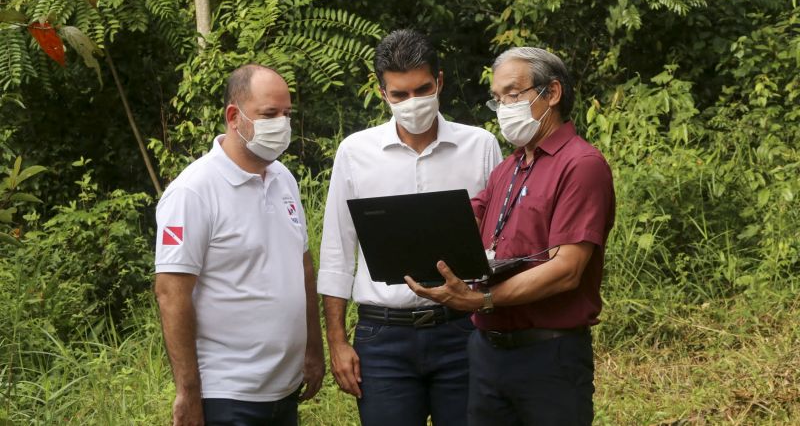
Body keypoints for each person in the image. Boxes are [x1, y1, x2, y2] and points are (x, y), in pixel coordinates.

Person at [406, 47, 615, 426]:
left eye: (513, 95)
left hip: (549, 355)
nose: (504, 107)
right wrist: (401, 233)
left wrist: (481, 299)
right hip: (488, 354)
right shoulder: (509, 167)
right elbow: (466, 223)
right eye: (498, 99)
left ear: (551, 93)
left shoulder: (581, 165)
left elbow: (567, 269)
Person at [318, 29, 502, 426]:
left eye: (422, 89)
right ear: (382, 92)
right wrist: (337, 341)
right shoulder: (355, 152)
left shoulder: (481, 146)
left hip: (463, 330)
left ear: (440, 81)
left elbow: (499, 240)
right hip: (384, 339)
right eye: (399, 94)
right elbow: (338, 250)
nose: (412, 102)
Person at [154, 64, 325, 426]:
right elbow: (171, 293)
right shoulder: (194, 191)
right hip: (228, 394)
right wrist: (188, 392)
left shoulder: (283, 178)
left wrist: (313, 348)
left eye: (287, 114)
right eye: (269, 114)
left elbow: (302, 266)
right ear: (235, 116)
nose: (282, 124)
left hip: (284, 388)